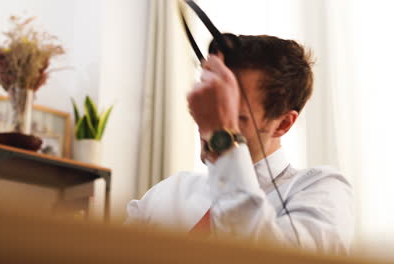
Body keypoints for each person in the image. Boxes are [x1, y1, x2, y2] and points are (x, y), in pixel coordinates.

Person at [126, 34, 354, 255]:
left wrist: (224, 142)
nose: (209, 127)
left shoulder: (322, 191)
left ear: (283, 123)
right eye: (210, 107)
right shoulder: (167, 194)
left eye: (233, 115)